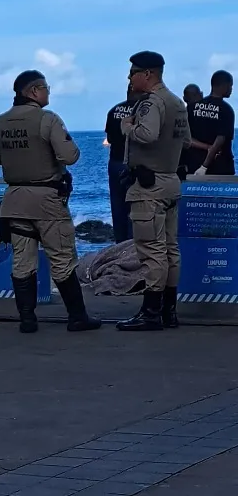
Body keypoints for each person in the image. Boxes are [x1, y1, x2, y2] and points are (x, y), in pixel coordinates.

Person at [0, 70, 101, 334]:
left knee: (22, 261)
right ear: (34, 91)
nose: (49, 92)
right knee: (62, 259)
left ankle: (27, 319)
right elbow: (70, 156)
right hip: (47, 201)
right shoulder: (48, 120)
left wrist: (15, 157)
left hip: (14, 200)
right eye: (46, 87)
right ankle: (77, 317)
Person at [116, 51, 191, 332]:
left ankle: (150, 313)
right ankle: (169, 311)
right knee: (171, 249)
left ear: (147, 74)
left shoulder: (152, 103)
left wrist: (128, 127)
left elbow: (147, 135)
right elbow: (186, 141)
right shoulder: (177, 102)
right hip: (171, 180)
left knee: (152, 251)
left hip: (150, 185)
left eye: (133, 72)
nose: (129, 77)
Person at [105, 84, 146, 243]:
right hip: (134, 163)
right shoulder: (144, 112)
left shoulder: (114, 110)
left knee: (118, 206)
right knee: (136, 208)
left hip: (115, 162)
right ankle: (132, 246)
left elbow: (109, 138)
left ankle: (120, 244)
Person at [188, 70, 235, 176]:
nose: (231, 89)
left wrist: (205, 148)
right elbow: (220, 140)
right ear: (223, 85)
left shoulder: (192, 107)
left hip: (194, 165)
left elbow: (186, 138)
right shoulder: (226, 110)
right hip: (221, 167)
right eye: (230, 86)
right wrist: (204, 166)